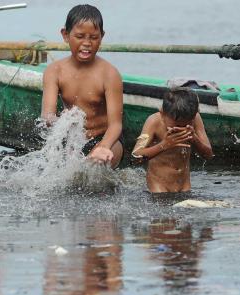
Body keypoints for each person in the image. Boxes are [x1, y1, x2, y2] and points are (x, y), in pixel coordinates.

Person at [41, 4, 124, 168]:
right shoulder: (54, 71)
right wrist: (62, 121)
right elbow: (47, 116)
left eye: (93, 38)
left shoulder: (110, 74)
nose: (87, 43)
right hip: (72, 139)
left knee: (95, 166)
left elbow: (116, 125)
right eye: (79, 36)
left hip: (106, 137)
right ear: (65, 35)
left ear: (102, 37)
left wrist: (103, 147)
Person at [132, 88, 213, 193]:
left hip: (184, 186)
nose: (182, 128)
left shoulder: (195, 118)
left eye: (187, 124)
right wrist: (164, 145)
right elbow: (135, 157)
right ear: (162, 113)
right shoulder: (154, 122)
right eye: (178, 124)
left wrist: (194, 139)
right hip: (158, 187)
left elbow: (209, 155)